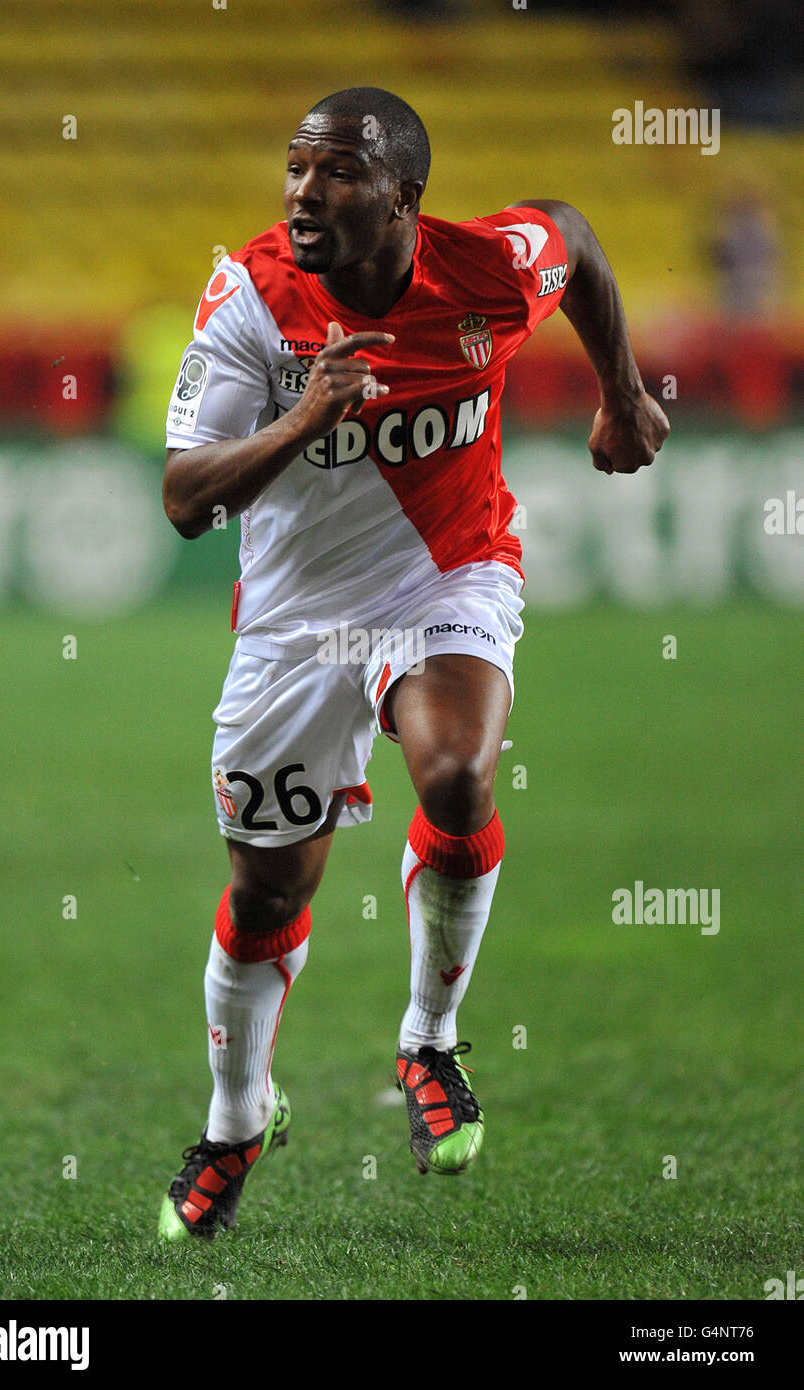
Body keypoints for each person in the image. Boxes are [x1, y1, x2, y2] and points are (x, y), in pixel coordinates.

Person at [157, 86, 669, 1241]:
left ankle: (427, 1043)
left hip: (446, 575)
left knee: (453, 777)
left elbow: (574, 238)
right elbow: (185, 500)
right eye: (294, 168)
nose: (302, 192)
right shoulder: (248, 296)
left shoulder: (486, 270)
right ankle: (238, 1119)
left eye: (334, 172)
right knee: (268, 888)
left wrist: (621, 392)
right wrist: (302, 418)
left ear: (401, 196)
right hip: (293, 621)